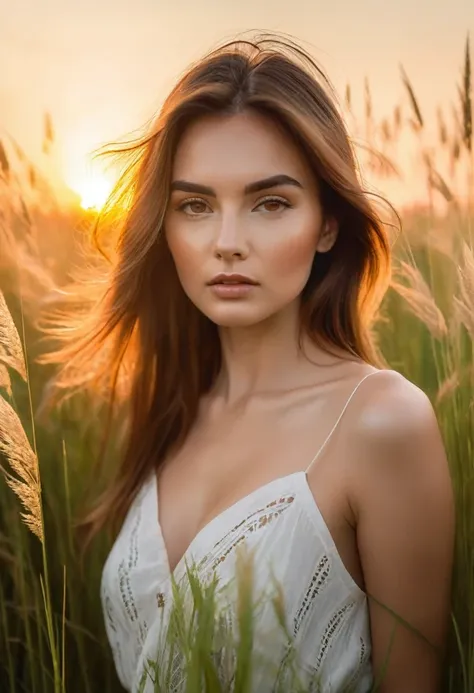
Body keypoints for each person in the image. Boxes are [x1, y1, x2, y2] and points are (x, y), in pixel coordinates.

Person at [45, 35, 454, 692]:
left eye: (271, 202)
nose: (227, 242)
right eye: (195, 205)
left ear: (326, 224)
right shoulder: (168, 408)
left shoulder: (383, 424)